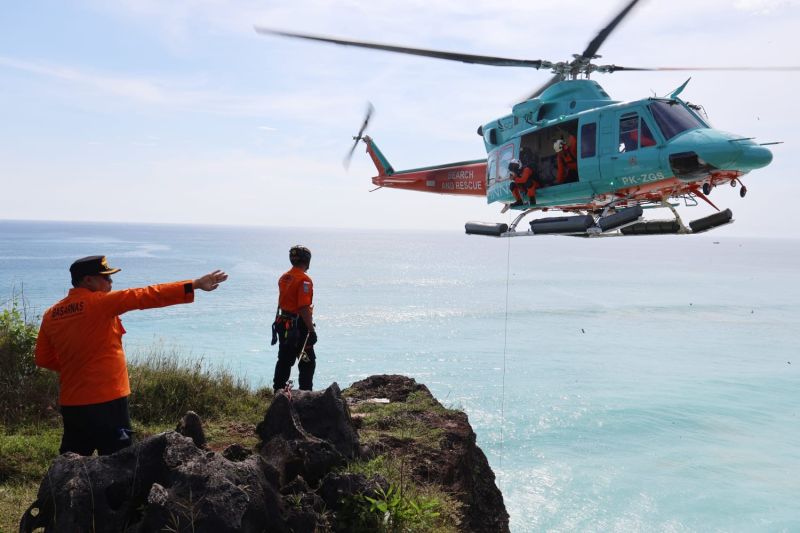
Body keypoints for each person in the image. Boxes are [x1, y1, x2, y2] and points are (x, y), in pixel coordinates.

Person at [34, 255, 228, 456]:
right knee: (119, 462)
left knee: (73, 461)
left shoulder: (51, 314)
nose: (110, 282)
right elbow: (144, 295)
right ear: (87, 280)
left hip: (72, 403)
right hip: (108, 401)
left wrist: (78, 366)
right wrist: (194, 284)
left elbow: (43, 358)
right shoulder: (100, 303)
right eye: (105, 277)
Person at [271, 245, 317, 392]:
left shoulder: (284, 277)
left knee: (284, 359)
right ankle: (306, 394)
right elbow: (303, 307)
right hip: (299, 327)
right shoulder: (304, 280)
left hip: (284, 324)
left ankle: (278, 392)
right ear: (307, 261)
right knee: (307, 361)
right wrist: (311, 330)